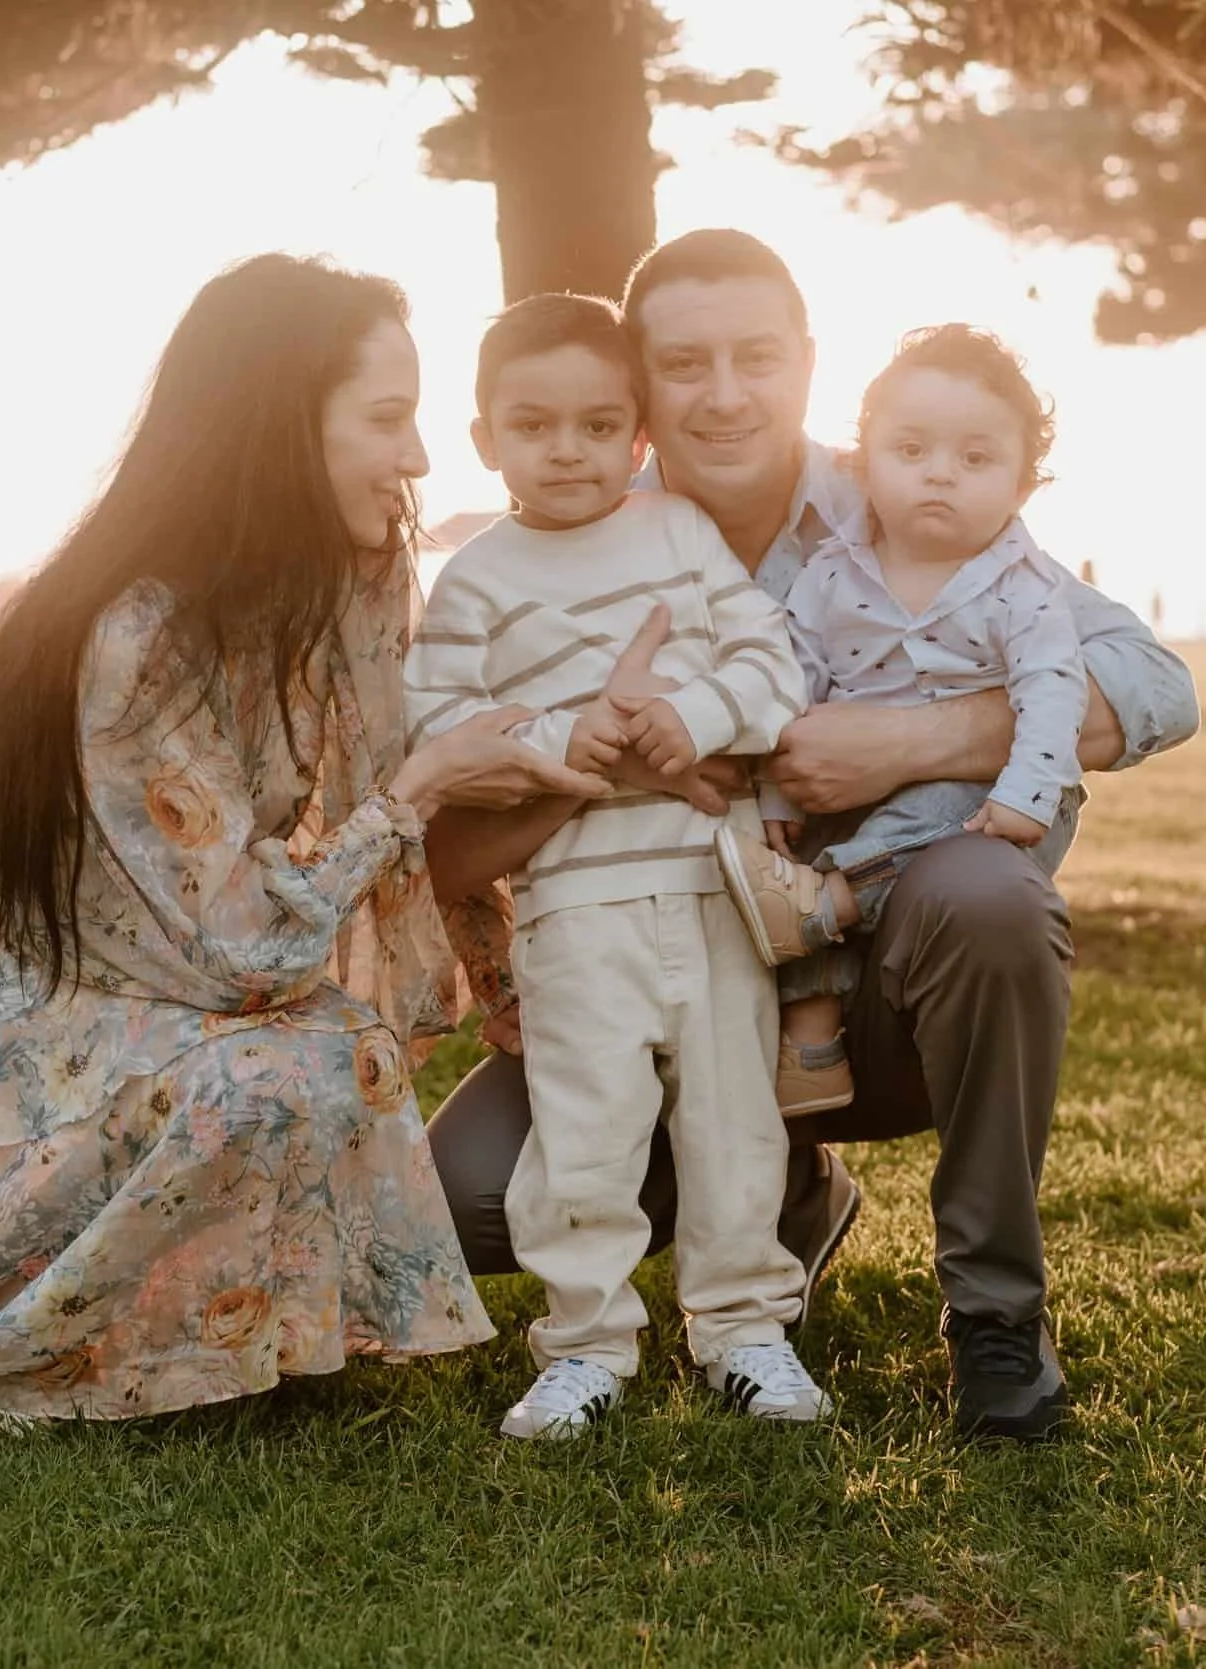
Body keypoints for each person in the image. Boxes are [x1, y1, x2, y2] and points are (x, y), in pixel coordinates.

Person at [0, 254, 608, 1421]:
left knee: (330, 1048)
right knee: (272, 1069)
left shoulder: (352, 569)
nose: (418, 459)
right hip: (22, 984)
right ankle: (50, 1340)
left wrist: (502, 975)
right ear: (280, 424)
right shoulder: (136, 632)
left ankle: (227, 1343)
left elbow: (373, 774)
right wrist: (419, 792)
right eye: (386, 419)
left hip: (174, 952)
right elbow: (253, 938)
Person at [420, 230, 1202, 1443]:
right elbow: (449, 849)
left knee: (990, 901)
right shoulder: (559, 542)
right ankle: (785, 1186)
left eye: (757, 357)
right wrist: (594, 758)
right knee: (466, 1201)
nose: (724, 394)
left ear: (808, 363)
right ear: (639, 384)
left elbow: (1150, 685)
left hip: (878, 982)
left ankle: (994, 1317)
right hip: (649, 963)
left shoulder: (903, 490)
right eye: (683, 363)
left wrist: (911, 742)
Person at [405, 293, 826, 1439]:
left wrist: (689, 719)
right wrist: (559, 742)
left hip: (708, 890)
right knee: (583, 1132)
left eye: (598, 426)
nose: (568, 450)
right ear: (485, 440)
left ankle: (742, 1330)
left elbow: (769, 664)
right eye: (533, 426)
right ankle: (585, 1345)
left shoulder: (678, 535)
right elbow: (439, 731)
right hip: (574, 908)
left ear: (637, 435)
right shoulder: (475, 580)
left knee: (735, 1122)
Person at [714, 326, 1085, 1120]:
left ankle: (831, 904)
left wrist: (1029, 790)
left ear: (1024, 484)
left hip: (987, 796)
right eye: (911, 449)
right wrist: (780, 796)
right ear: (865, 461)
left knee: (926, 825)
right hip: (846, 793)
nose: (939, 474)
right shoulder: (833, 572)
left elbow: (1055, 685)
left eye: (975, 459)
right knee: (802, 846)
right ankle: (812, 1047)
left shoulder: (1025, 587)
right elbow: (796, 684)